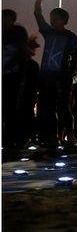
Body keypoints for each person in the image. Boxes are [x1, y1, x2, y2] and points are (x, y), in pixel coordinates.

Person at [33, 0, 77, 146]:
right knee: (46, 107)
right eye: (51, 17)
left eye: (56, 18)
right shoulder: (48, 32)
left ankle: (70, 134)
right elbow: (37, 14)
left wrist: (71, 74)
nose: (52, 20)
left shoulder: (71, 37)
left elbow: (75, 57)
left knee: (64, 107)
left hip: (62, 76)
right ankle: (50, 137)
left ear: (64, 20)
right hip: (46, 75)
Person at [3, 9, 31, 148]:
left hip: (14, 77)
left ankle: (11, 140)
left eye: (7, 19)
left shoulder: (18, 32)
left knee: (12, 108)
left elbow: (23, 52)